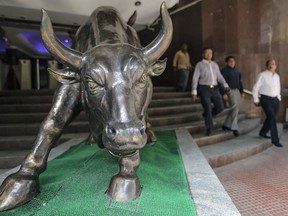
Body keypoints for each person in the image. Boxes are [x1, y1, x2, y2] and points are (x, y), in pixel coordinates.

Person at [191, 47, 229, 136]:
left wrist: (226, 85)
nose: (209, 54)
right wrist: (194, 92)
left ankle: (206, 115)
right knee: (208, 108)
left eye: (210, 53)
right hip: (204, 89)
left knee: (220, 108)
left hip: (215, 88)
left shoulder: (215, 65)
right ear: (203, 54)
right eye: (207, 53)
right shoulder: (199, 65)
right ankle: (209, 128)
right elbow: (195, 78)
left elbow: (220, 77)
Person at [252, 59, 282, 147]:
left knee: (271, 117)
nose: (273, 65)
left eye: (274, 63)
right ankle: (275, 140)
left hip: (275, 99)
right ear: (268, 66)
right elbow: (255, 88)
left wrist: (278, 98)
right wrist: (256, 100)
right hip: (266, 99)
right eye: (271, 63)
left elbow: (278, 88)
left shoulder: (277, 76)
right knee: (272, 118)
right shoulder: (262, 75)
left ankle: (262, 132)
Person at [221, 56, 244, 137]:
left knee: (234, 109)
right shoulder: (224, 71)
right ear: (226, 62)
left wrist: (241, 91)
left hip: (237, 91)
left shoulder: (237, 70)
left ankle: (226, 125)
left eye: (233, 61)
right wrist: (223, 93)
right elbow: (221, 82)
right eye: (230, 61)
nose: (232, 62)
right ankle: (234, 128)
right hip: (229, 91)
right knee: (235, 108)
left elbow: (240, 81)